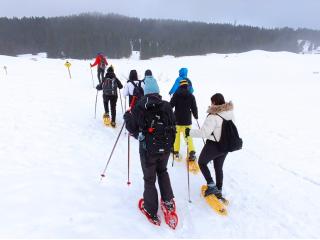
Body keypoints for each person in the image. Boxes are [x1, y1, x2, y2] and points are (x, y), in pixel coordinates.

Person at [124, 73, 176, 223]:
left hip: (148, 150)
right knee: (163, 171)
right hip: (165, 148)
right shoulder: (166, 105)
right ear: (157, 91)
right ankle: (168, 201)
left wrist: (127, 116)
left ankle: (151, 209)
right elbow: (173, 126)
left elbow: (133, 129)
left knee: (149, 178)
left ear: (146, 91)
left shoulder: (140, 105)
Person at [185, 93, 234, 198]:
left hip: (214, 145)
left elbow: (204, 133)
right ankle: (219, 189)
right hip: (226, 145)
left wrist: (189, 132)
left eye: (211, 102)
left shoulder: (213, 116)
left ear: (214, 102)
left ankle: (211, 186)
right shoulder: (230, 112)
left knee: (202, 163)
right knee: (218, 167)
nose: (210, 104)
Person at [170, 79, 198, 161]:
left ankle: (176, 151)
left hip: (177, 120)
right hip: (187, 120)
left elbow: (171, 105)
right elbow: (194, 108)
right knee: (188, 136)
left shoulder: (176, 95)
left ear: (180, 85)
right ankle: (191, 152)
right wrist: (196, 115)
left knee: (176, 136)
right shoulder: (191, 96)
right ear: (187, 86)